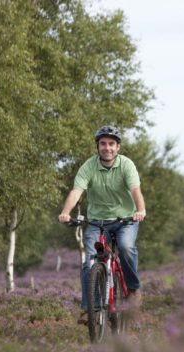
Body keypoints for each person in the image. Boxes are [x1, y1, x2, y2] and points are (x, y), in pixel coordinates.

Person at [58, 125, 146, 324]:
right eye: (103, 144)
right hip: (97, 223)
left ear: (118, 147)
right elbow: (76, 191)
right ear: (98, 146)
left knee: (125, 247)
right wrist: (65, 212)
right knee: (90, 261)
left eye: (112, 144)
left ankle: (132, 289)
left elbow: (135, 190)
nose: (107, 148)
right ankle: (91, 310)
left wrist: (140, 210)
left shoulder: (127, 165)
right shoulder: (88, 166)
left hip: (126, 221)